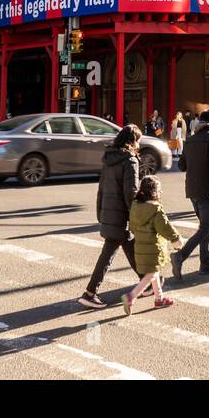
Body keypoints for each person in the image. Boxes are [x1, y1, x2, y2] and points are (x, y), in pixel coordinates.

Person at [79, 125, 144, 309]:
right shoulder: (130, 161)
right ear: (131, 141)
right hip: (121, 214)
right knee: (109, 254)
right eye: (137, 140)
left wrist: (100, 212)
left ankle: (145, 281)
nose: (139, 144)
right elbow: (130, 192)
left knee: (127, 245)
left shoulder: (109, 159)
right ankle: (90, 293)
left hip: (109, 211)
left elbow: (101, 189)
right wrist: (138, 217)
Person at [171, 109, 209, 280]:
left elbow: (182, 166)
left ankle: (205, 262)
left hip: (192, 189)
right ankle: (180, 256)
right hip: (207, 188)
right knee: (205, 228)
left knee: (204, 227)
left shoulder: (190, 140)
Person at [123, 175, 182, 314]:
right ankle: (131, 296)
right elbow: (165, 227)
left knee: (153, 273)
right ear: (155, 192)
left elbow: (131, 227)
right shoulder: (155, 209)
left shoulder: (135, 206)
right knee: (152, 274)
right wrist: (176, 240)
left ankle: (159, 298)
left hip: (140, 247)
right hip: (153, 248)